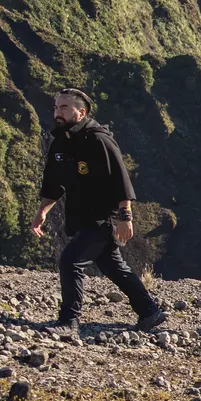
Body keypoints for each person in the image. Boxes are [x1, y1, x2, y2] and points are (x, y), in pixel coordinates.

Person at [30, 88, 166, 335]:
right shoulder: (62, 139)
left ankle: (69, 322)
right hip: (81, 215)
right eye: (56, 107)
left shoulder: (98, 139)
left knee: (70, 261)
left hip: (102, 217)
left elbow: (120, 179)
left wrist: (125, 217)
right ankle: (150, 312)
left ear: (80, 113)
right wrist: (43, 211)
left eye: (64, 108)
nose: (57, 113)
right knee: (114, 266)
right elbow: (54, 182)